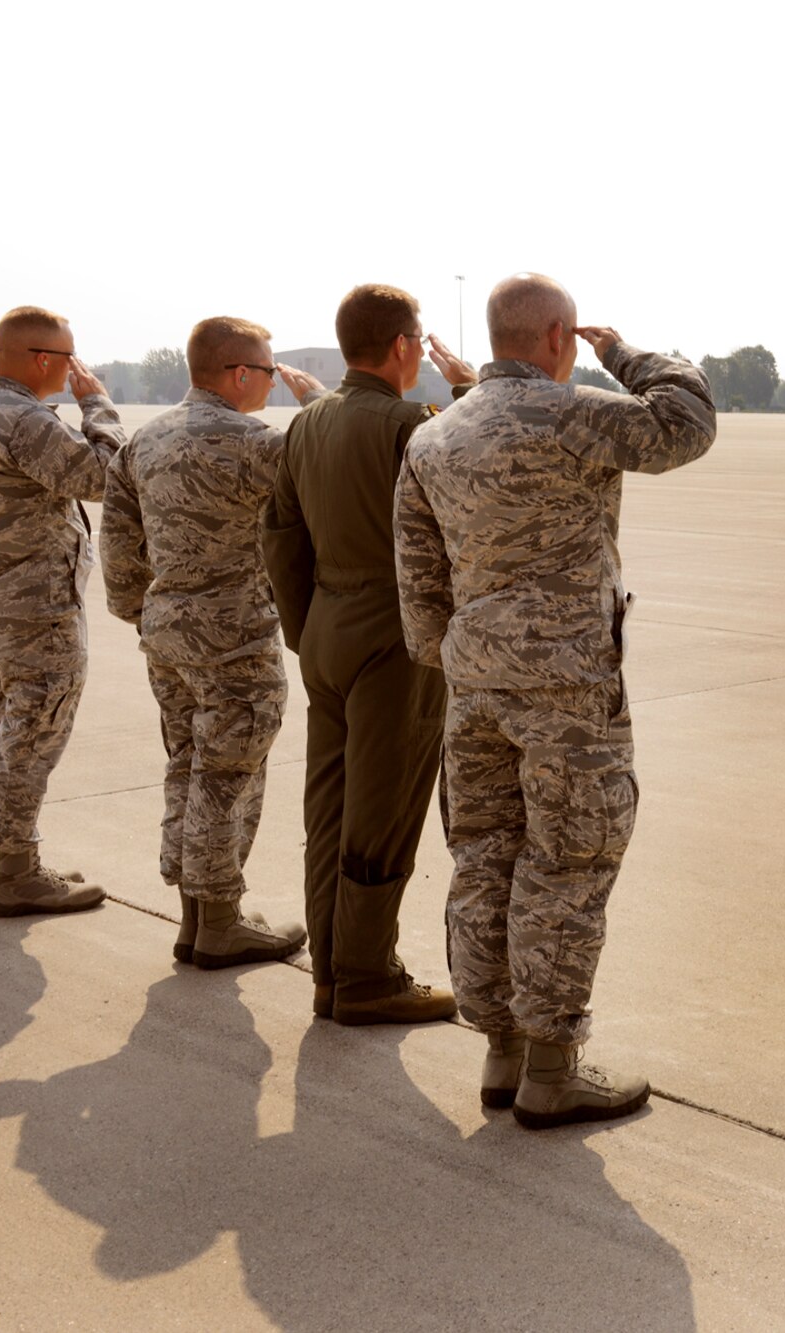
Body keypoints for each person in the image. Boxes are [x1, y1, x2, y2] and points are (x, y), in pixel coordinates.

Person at [394, 273, 715, 1127]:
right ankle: (550, 1067)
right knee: (566, 865)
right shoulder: (571, 412)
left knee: (485, 858)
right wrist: (628, 354)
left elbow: (418, 582)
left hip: (475, 688)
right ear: (557, 335)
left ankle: (500, 1050)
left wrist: (463, 656)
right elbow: (686, 423)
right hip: (568, 687)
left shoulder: (435, 436)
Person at [264, 284, 475, 1025]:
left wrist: (307, 628)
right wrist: (470, 387)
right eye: (417, 339)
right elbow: (474, 497)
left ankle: (331, 969)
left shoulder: (308, 422)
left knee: (330, 808)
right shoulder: (408, 424)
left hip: (327, 630)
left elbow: (280, 536)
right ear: (401, 346)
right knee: (382, 814)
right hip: (395, 638)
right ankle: (365, 975)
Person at [100, 317, 326, 968]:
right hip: (234, 638)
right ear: (237, 374)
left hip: (167, 632)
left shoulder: (144, 441)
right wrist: (319, 403)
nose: (272, 383)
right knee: (228, 775)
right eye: (266, 371)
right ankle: (221, 918)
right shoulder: (258, 442)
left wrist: (143, 612)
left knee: (187, 764)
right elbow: (336, 473)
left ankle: (196, 915)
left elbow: (117, 543)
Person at [0, 307, 126, 916]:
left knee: (7, 721)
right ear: (44, 361)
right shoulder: (22, 419)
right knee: (34, 727)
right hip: (33, 604)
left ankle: (5, 863)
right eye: (69, 358)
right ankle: (18, 870)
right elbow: (107, 476)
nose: (76, 369)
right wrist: (97, 406)